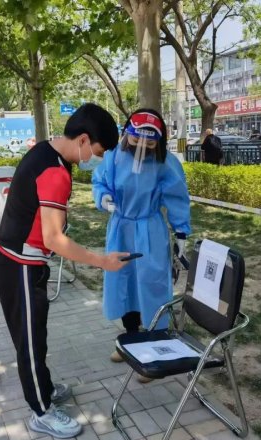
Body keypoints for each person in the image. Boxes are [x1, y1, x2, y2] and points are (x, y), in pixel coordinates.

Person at [0, 103, 129, 439]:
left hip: (22, 260)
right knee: (30, 341)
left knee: (36, 334)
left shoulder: (47, 151)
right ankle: (41, 411)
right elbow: (54, 237)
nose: (97, 159)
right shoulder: (55, 172)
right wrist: (102, 261)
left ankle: (45, 388)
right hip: (19, 265)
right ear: (83, 140)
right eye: (98, 152)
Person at [92, 108, 191, 377]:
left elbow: (177, 197)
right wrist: (103, 198)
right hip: (121, 227)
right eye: (138, 138)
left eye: (150, 141)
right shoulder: (113, 157)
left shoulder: (165, 162)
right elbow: (99, 181)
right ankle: (131, 338)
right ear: (127, 133)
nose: (143, 145)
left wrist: (181, 232)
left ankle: (155, 343)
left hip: (150, 228)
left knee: (153, 281)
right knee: (123, 280)